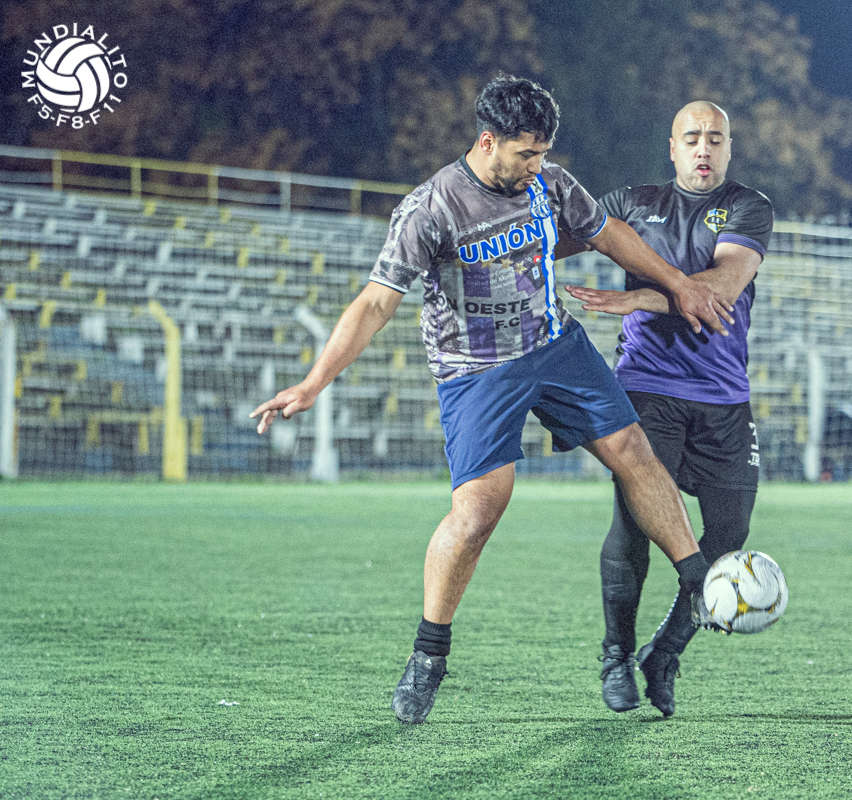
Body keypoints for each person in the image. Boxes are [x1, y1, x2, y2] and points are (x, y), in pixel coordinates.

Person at [250, 76, 732, 724]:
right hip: (475, 369)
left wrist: (676, 283)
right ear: (488, 142)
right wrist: (313, 382)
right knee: (479, 511)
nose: (537, 166)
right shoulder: (430, 210)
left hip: (553, 345)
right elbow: (374, 303)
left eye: (542, 153)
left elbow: (606, 232)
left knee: (632, 448)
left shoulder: (549, 183)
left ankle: (697, 580)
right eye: (526, 154)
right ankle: (429, 654)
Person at [563, 101, 773, 717]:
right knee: (635, 525)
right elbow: (552, 239)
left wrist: (639, 300)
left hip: (724, 395)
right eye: (692, 137)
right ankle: (616, 656)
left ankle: (665, 652)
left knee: (729, 534)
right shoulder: (631, 203)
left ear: (728, 148)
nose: (704, 148)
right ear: (673, 148)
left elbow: (722, 288)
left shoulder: (748, 206)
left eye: (716, 138)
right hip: (647, 388)